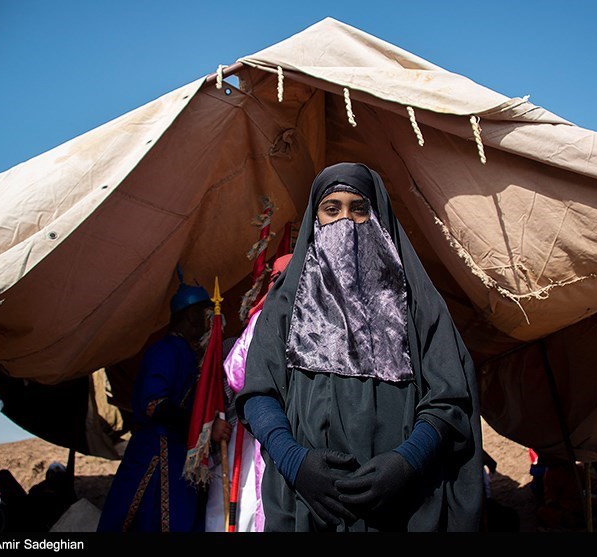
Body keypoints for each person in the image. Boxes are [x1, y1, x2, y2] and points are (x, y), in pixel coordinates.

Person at [237, 162, 484, 532]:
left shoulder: (416, 301)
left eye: (359, 209)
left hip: (405, 506)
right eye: (332, 209)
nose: (346, 221)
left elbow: (451, 396)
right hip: (310, 507)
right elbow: (258, 394)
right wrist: (294, 462)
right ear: (315, 220)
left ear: (378, 217)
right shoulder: (285, 303)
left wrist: (407, 462)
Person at [97, 275, 211, 532]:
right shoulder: (165, 351)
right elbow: (154, 404)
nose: (209, 321)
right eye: (205, 313)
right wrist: (202, 428)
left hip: (181, 451)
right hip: (158, 452)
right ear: (191, 315)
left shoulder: (192, 354)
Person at [205, 254, 292, 532]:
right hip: (258, 429)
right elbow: (237, 373)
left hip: (278, 430)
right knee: (246, 501)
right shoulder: (264, 321)